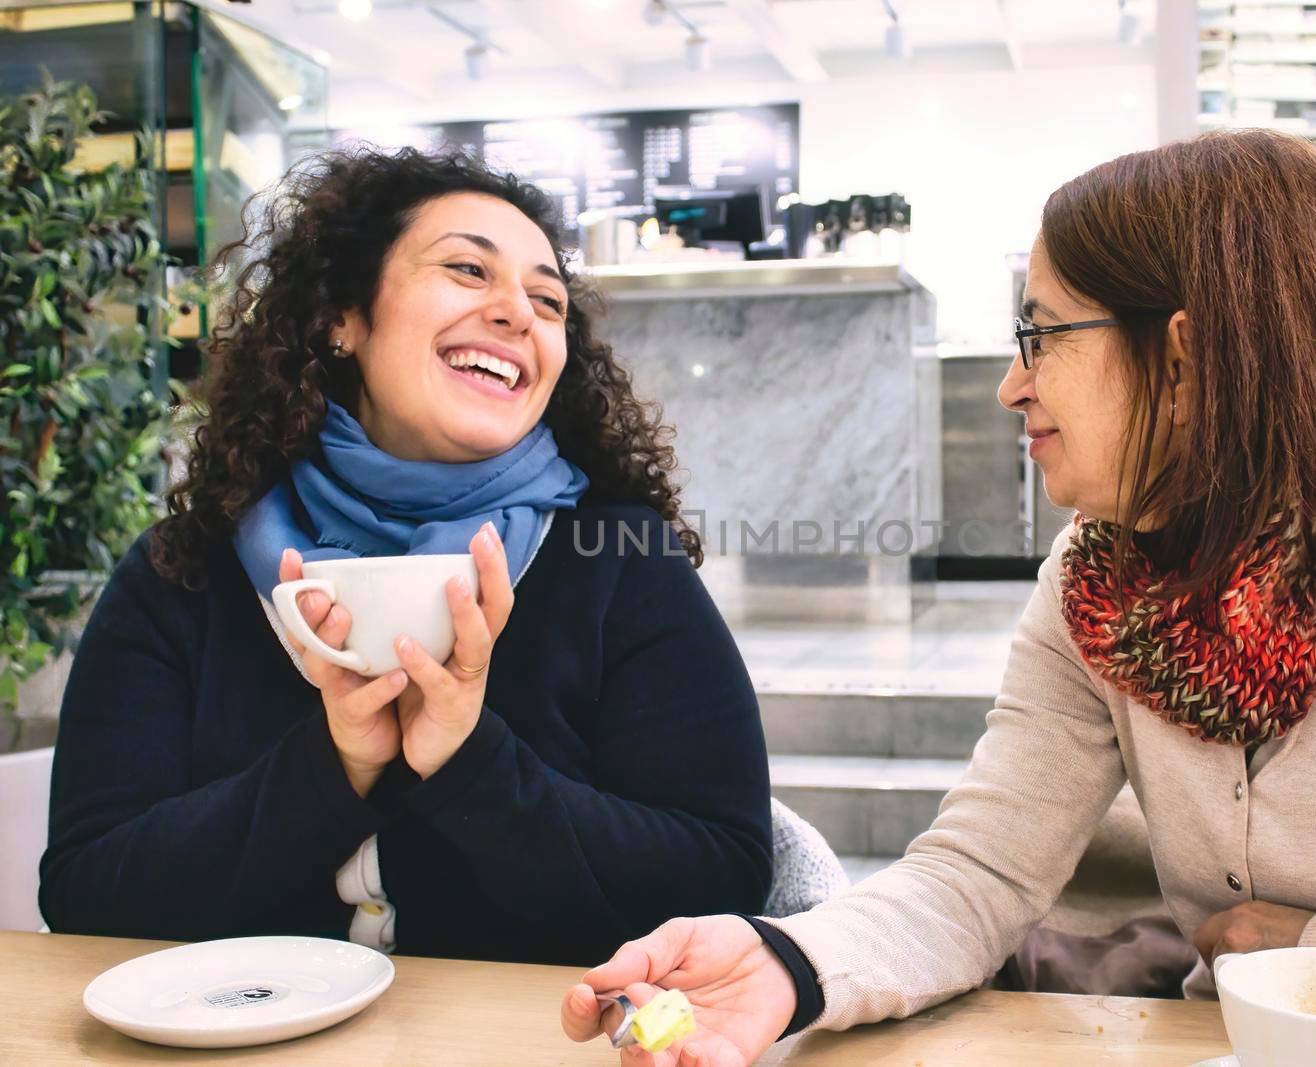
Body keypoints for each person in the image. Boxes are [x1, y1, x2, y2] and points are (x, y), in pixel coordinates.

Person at [561, 129, 1316, 1065]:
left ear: (1187, 360)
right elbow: (979, 873)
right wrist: (785, 963)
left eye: (1044, 332)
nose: (1013, 384)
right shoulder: (1095, 582)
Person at [40, 148, 773, 964]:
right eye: (467, 269)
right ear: (340, 317)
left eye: (547, 299)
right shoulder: (184, 569)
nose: (518, 314)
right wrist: (334, 763)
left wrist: (470, 760)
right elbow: (86, 893)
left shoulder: (620, 556)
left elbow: (723, 879)